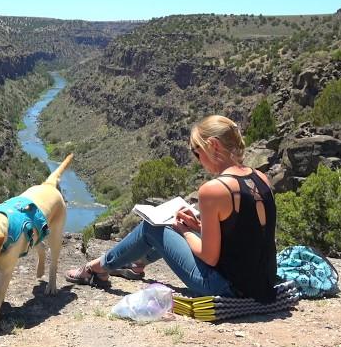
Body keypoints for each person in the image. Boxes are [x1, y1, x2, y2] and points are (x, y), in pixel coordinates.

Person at [65, 115, 278, 303]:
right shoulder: (261, 178)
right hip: (262, 284)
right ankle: (134, 262)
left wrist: (184, 231)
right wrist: (199, 226)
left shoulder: (213, 190)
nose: (198, 160)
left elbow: (210, 256)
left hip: (227, 287)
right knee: (178, 225)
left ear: (213, 145)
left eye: (197, 152)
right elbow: (246, 235)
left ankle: (97, 268)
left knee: (154, 228)